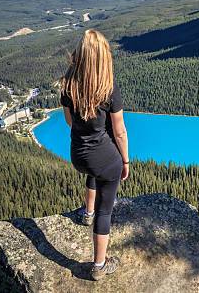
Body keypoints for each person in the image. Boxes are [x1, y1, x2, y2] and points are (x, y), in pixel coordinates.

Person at [60, 29, 129, 281]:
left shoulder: (68, 84)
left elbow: (70, 122)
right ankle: (99, 265)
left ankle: (86, 214)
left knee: (94, 168)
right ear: (103, 57)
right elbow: (120, 132)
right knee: (106, 210)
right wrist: (125, 160)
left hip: (78, 155)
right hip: (104, 159)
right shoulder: (108, 88)